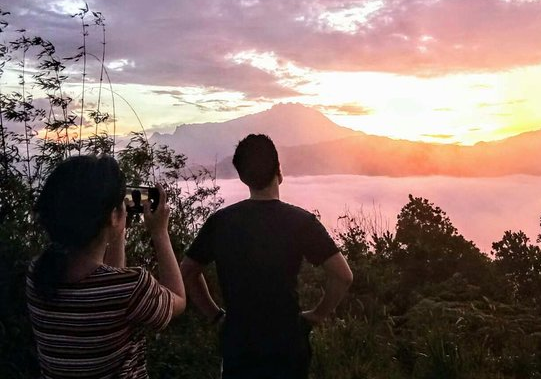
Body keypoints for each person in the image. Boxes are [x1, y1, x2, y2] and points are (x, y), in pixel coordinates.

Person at [181, 134, 353, 379]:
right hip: (288, 349)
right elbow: (343, 276)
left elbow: (188, 271)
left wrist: (216, 315)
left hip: (239, 348)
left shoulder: (221, 222)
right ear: (279, 171)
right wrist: (316, 316)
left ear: (242, 177)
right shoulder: (302, 222)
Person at [26, 155, 186, 378]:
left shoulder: (38, 274)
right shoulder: (132, 287)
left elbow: (109, 278)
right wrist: (160, 232)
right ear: (113, 216)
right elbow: (177, 300)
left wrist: (117, 230)